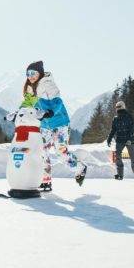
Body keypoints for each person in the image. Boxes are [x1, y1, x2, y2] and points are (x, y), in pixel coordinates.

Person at [23, 61, 87, 190]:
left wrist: (51, 111)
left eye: (33, 73)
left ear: (39, 73)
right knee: (41, 150)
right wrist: (18, 114)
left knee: (61, 153)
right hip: (45, 125)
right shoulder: (30, 89)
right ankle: (45, 180)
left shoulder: (47, 83)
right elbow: (26, 105)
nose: (31, 76)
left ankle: (79, 167)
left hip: (59, 123)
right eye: (28, 73)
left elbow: (57, 100)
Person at [106, 101, 134, 181]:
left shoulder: (128, 116)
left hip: (129, 140)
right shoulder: (115, 119)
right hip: (120, 140)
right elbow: (113, 130)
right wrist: (109, 138)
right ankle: (120, 175)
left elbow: (131, 129)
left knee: (133, 157)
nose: (118, 108)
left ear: (123, 107)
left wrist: (129, 139)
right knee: (117, 156)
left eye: (120, 106)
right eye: (117, 107)